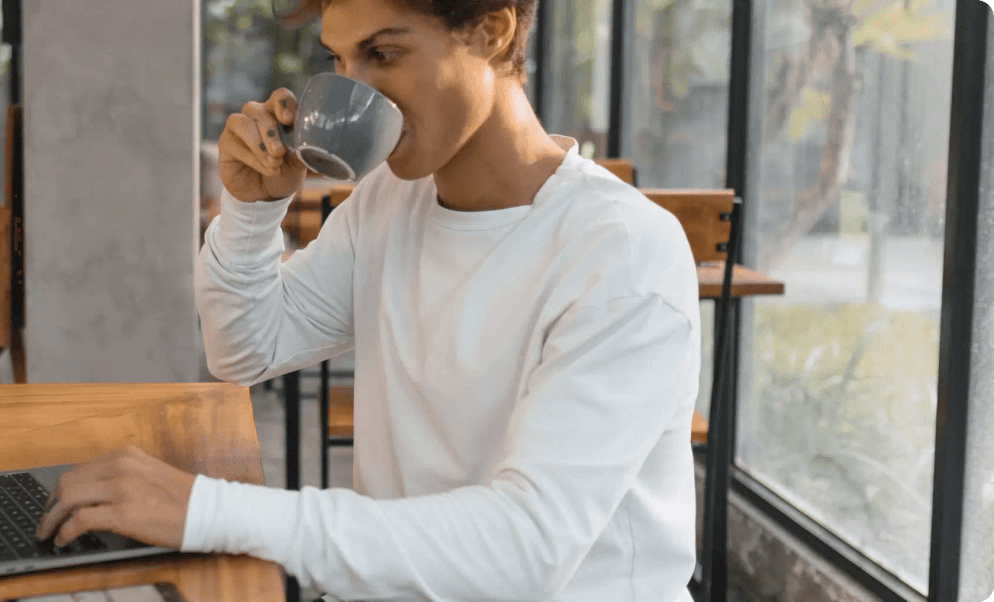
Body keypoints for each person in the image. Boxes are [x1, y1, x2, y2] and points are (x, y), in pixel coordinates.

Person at [36, 0, 702, 599]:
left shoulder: (623, 252)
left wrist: (207, 511)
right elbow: (244, 348)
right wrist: (251, 211)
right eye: (338, 59)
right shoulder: (390, 201)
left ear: (493, 33)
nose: (353, 89)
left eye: (384, 54)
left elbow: (525, 549)